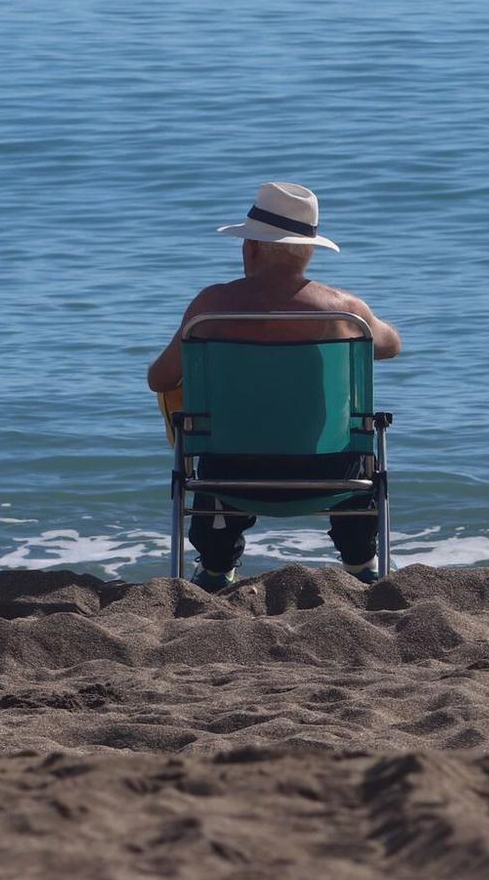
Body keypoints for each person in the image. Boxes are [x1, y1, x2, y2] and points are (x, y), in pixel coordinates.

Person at [149, 182, 401, 591]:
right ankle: (361, 562)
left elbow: (158, 379)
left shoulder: (211, 309)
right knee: (356, 437)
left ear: (250, 248)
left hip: (229, 475)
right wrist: (357, 324)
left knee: (194, 417)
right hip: (332, 474)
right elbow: (391, 346)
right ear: (310, 250)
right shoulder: (346, 312)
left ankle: (215, 567)